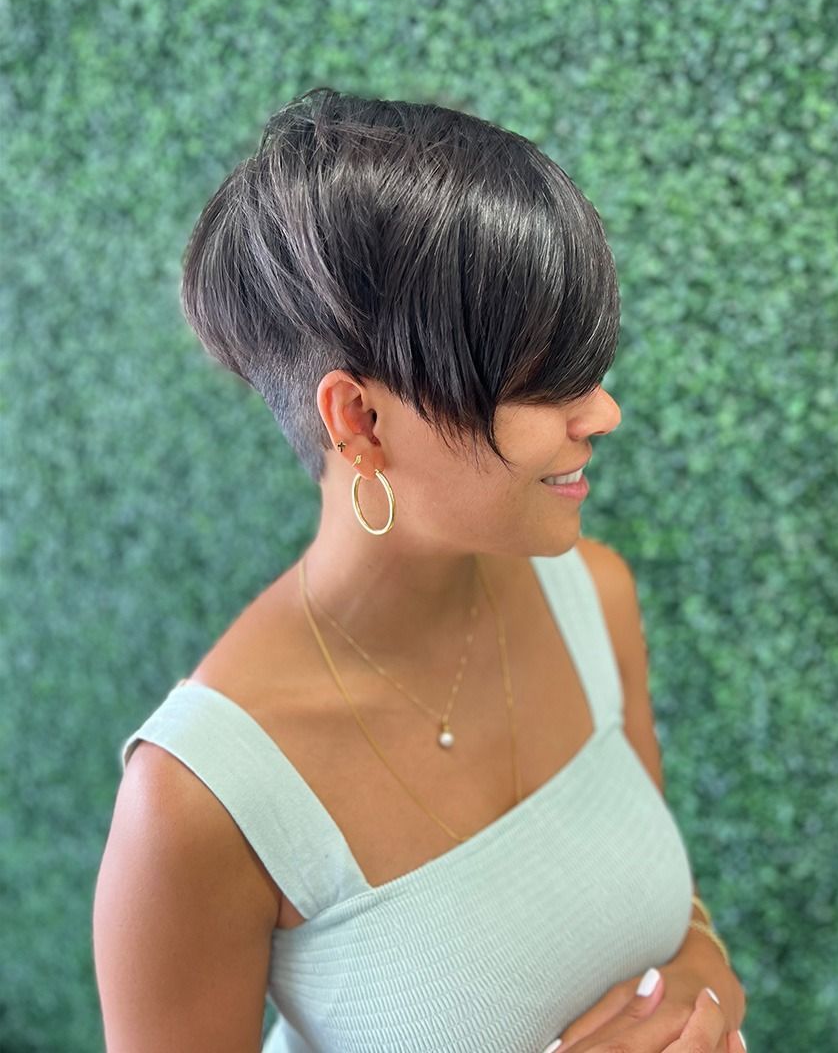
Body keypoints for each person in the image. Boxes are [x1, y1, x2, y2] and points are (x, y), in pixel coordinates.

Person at [93, 87, 747, 1052]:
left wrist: (700, 987)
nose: (601, 412)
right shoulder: (197, 805)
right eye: (541, 380)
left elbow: (674, 925)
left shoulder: (592, 598)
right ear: (359, 420)